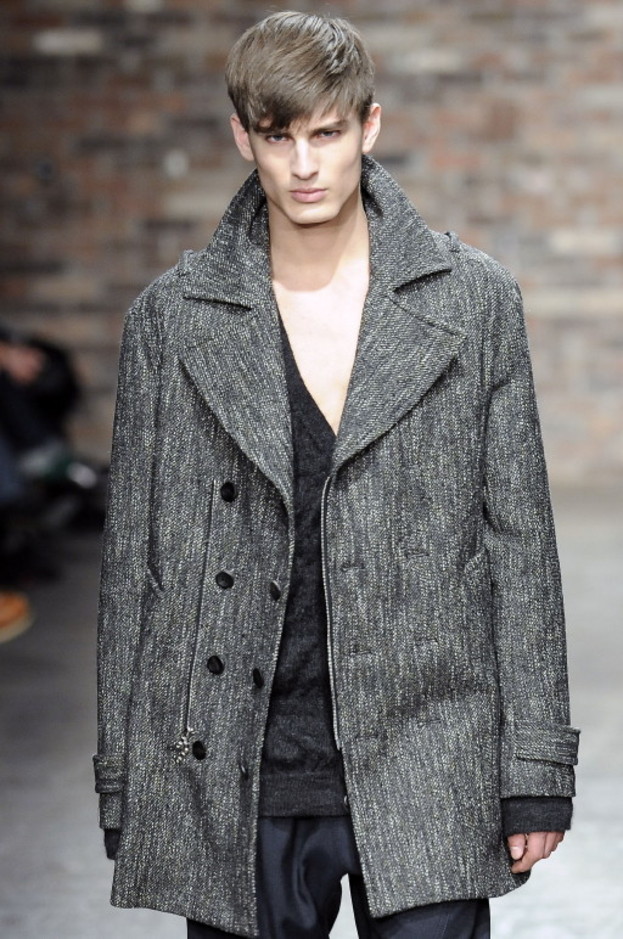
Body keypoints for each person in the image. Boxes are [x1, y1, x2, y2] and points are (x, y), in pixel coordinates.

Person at [94, 12, 579, 938]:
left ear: (369, 125)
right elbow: (136, 568)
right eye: (279, 137)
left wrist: (534, 769)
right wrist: (125, 776)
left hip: (429, 754)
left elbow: (519, 546)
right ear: (243, 138)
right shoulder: (173, 318)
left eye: (326, 132)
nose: (305, 164)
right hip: (237, 768)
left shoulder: (472, 302)